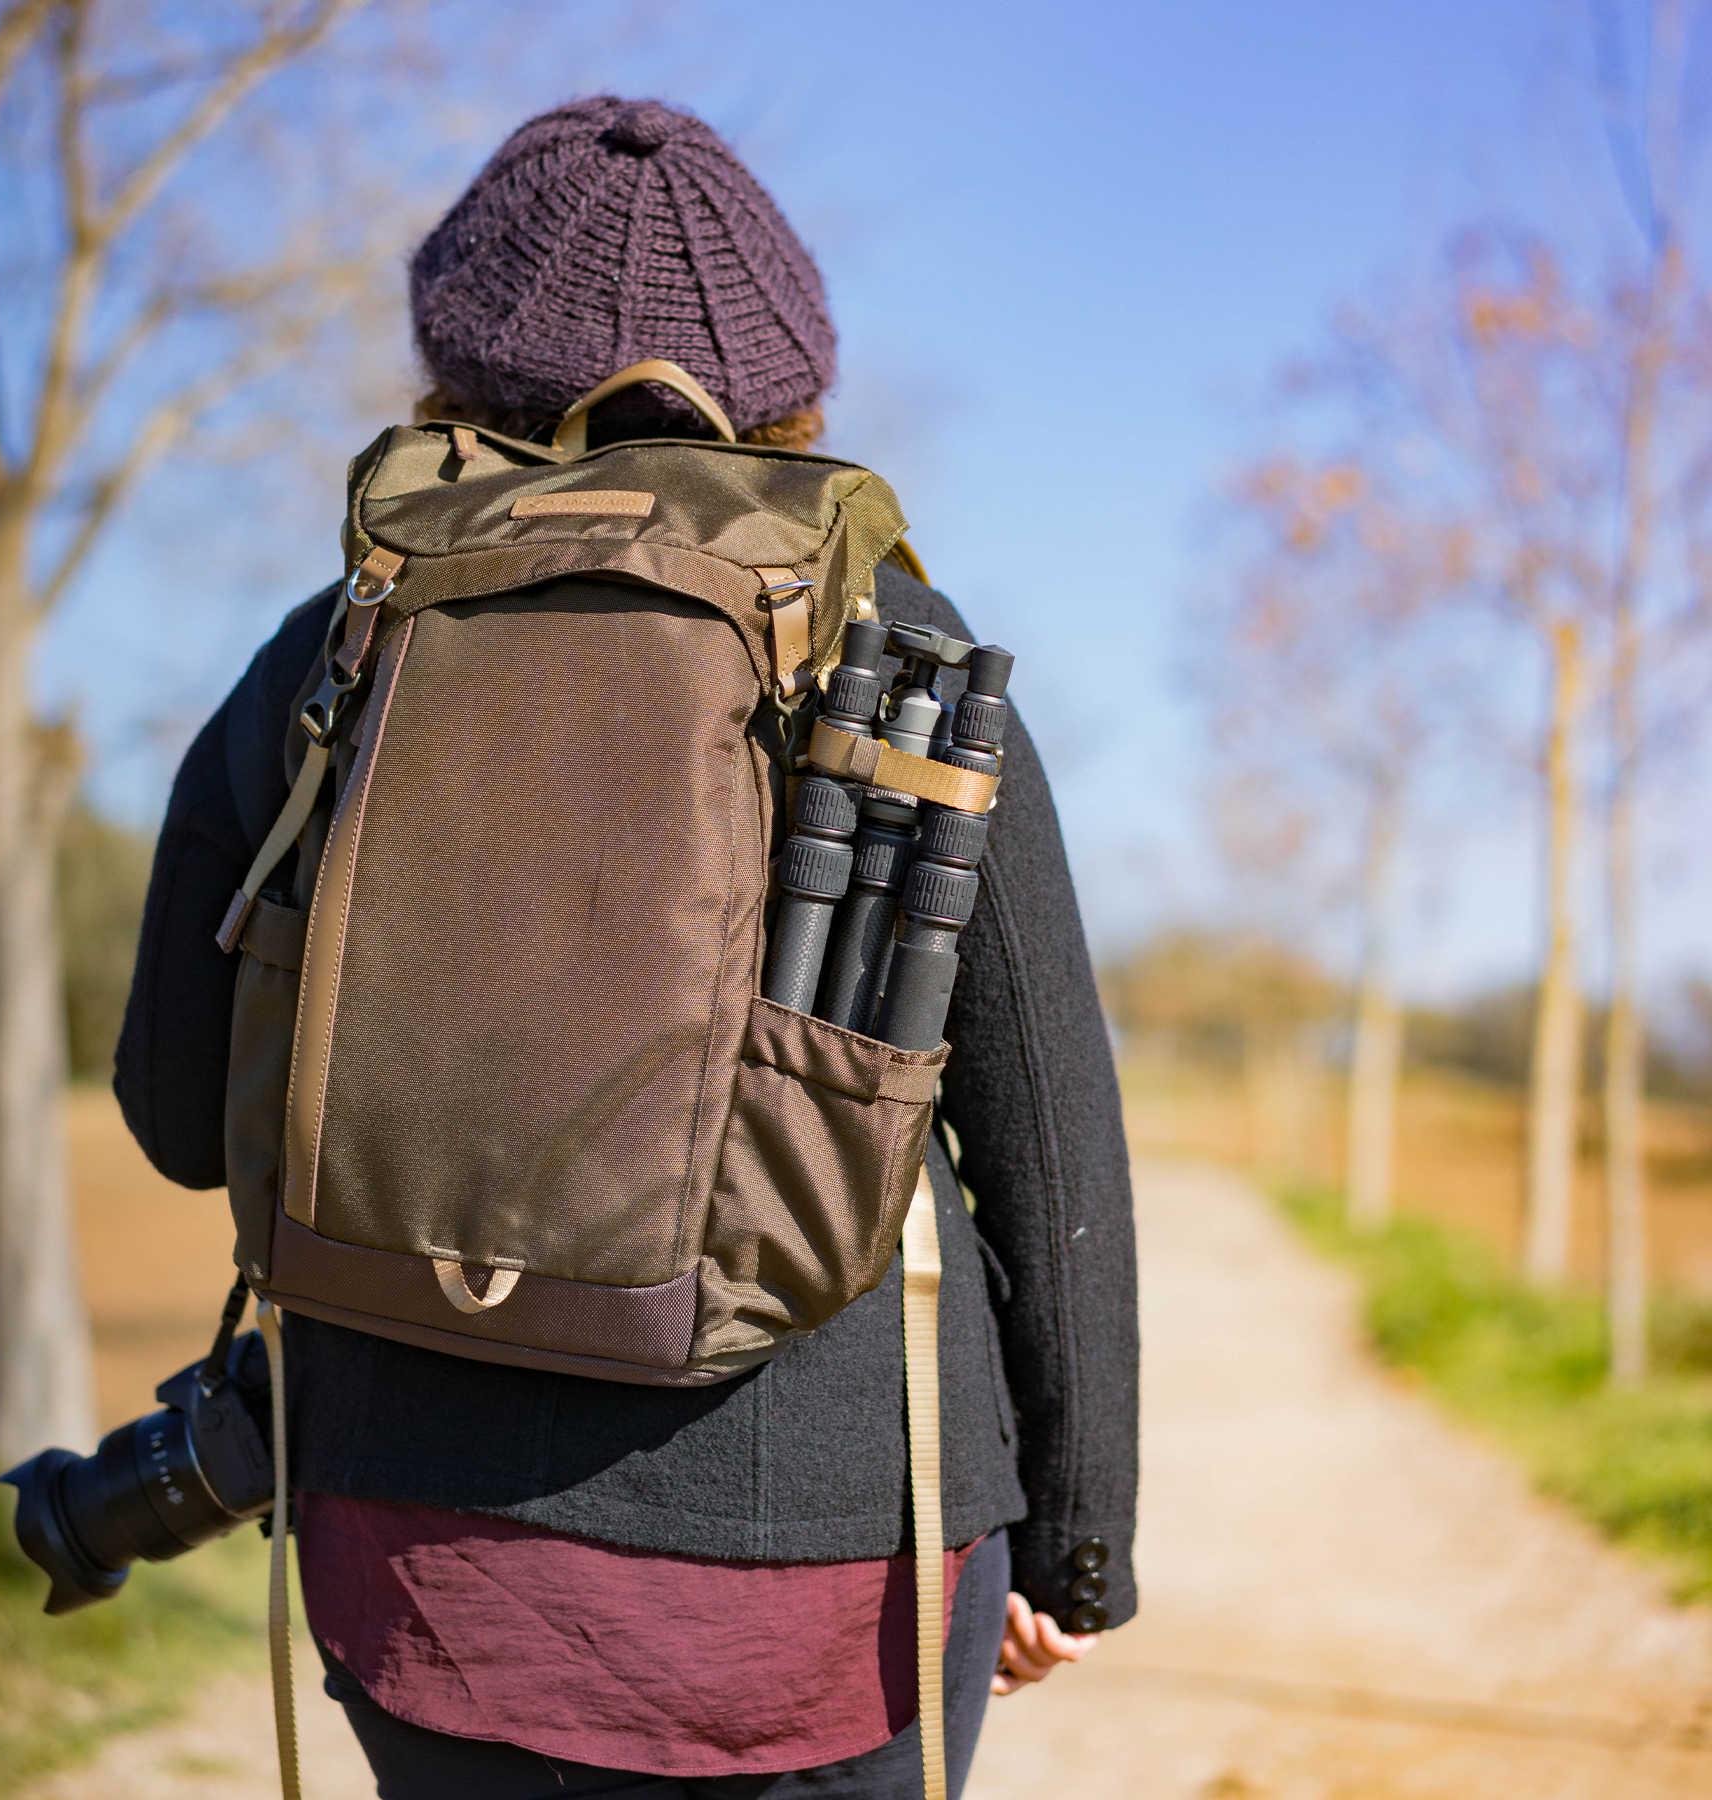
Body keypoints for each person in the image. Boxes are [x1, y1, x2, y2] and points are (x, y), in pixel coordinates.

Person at [115, 94, 1138, 1799]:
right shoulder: (908, 658)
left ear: (457, 364)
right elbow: (1051, 1150)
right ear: (789, 375)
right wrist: (1076, 1546)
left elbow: (167, 1109)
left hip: (431, 1565)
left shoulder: (333, 648)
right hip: (843, 1558)